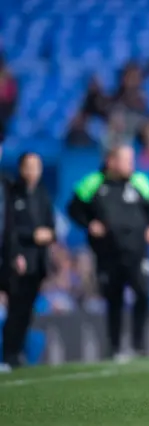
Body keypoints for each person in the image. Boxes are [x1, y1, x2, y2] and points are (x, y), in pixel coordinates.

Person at [67, 145, 149, 361]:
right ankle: (116, 347)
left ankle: (138, 344)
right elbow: (73, 208)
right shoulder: (92, 182)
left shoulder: (139, 181)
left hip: (137, 251)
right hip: (108, 253)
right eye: (126, 160)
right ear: (111, 161)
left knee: (144, 294)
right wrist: (89, 223)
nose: (131, 164)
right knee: (114, 298)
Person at [2, 153, 55, 369]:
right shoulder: (13, 194)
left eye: (37, 166)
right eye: (29, 166)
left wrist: (49, 235)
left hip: (38, 262)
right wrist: (31, 237)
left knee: (26, 310)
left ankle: (18, 353)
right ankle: (9, 353)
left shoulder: (42, 194)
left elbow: (51, 226)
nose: (33, 171)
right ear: (21, 168)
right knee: (15, 308)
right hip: (19, 259)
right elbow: (9, 229)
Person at [0, 145, 27, 373]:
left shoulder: (5, 183)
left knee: (10, 305)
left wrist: (16, 252)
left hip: (4, 254)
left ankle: (7, 355)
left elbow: (11, 224)